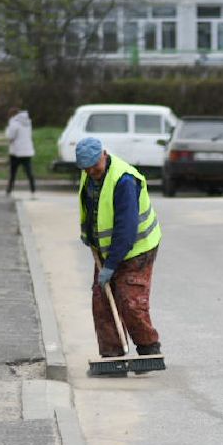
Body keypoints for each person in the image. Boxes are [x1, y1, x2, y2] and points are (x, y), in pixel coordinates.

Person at [76, 136, 164, 363]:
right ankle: (112, 356)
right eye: (86, 168)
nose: (91, 172)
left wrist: (111, 265)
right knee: (102, 300)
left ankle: (149, 349)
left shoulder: (124, 180)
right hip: (106, 250)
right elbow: (92, 207)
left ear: (104, 154)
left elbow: (126, 230)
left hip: (138, 248)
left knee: (130, 300)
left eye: (94, 166)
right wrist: (89, 235)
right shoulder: (89, 174)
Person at [5, 107, 36, 195]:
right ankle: (33, 188)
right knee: (29, 171)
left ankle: (9, 189)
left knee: (13, 172)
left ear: (11, 115)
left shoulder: (14, 123)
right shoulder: (28, 122)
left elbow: (10, 136)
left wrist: (7, 131)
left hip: (16, 151)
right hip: (27, 151)